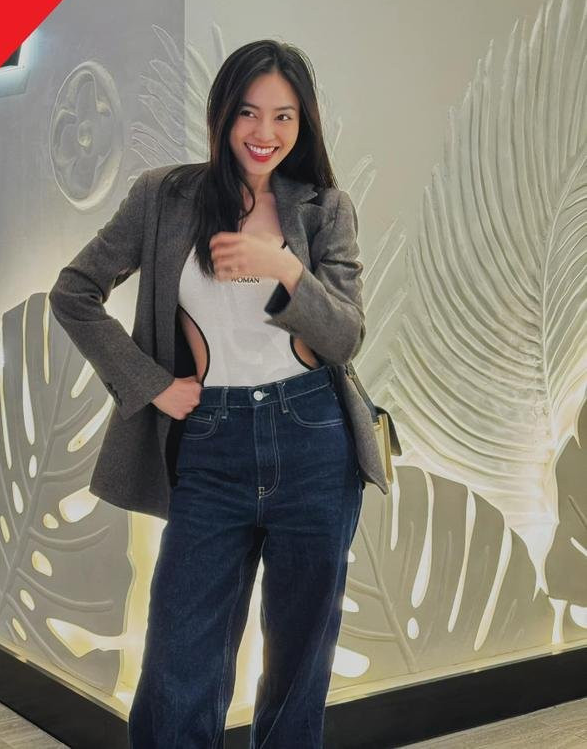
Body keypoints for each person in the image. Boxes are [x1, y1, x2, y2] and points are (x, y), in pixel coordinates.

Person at [52, 39, 367, 748]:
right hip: (211, 444)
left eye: (284, 116)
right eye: (249, 112)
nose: (265, 132)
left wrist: (283, 266)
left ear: (304, 123)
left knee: (300, 665)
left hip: (314, 441)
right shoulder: (164, 197)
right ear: (221, 113)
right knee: (178, 666)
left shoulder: (324, 209)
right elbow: (73, 293)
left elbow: (345, 337)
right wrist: (152, 386)